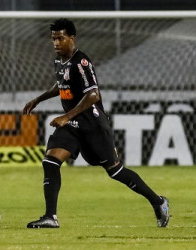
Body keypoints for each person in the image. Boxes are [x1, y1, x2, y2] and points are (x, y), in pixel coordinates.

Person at [22, 18, 169, 228]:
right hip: (73, 125)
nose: (55, 42)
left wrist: (66, 116)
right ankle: (50, 217)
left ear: (71, 38)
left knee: (115, 171)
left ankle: (158, 202)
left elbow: (93, 95)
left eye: (60, 38)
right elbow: (61, 84)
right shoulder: (59, 60)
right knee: (50, 162)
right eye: (53, 39)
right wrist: (38, 99)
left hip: (93, 124)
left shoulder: (81, 62)